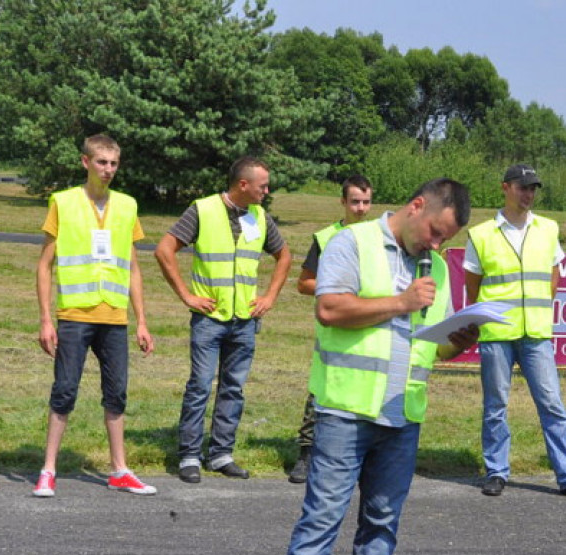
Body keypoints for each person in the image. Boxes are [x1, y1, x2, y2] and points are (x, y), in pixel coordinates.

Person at [264, 178, 478, 555]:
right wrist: (400, 302)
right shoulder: (352, 242)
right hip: (346, 409)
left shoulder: (438, 269)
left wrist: (455, 344)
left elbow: (430, 340)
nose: (437, 243)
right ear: (416, 205)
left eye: (446, 238)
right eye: (434, 231)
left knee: (382, 522)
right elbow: (330, 308)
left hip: (402, 414)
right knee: (321, 519)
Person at [463, 164, 566, 501]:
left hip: (536, 331)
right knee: (496, 405)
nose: (529, 194)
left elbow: (554, 273)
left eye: (533, 188)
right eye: (523, 187)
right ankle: (496, 471)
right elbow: (473, 286)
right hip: (497, 332)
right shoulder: (480, 234)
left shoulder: (548, 228)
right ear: (504, 187)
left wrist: (537, 307)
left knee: (552, 404)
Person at [154, 157, 292, 483]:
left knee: (234, 388)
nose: (267, 191)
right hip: (209, 318)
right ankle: (189, 455)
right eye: (262, 186)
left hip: (244, 319)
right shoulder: (202, 210)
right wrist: (187, 296)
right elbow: (164, 250)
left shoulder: (259, 216)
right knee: (200, 386)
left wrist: (270, 297)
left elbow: (284, 255)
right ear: (243, 185)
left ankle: (220, 454)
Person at [33, 134, 156, 497]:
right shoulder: (63, 202)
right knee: (65, 390)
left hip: (114, 317)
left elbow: (133, 267)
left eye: (114, 163)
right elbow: (45, 266)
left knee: (116, 393)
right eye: (102, 162)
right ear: (85, 162)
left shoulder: (128, 206)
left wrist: (142, 320)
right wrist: (45, 319)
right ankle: (48, 470)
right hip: (75, 314)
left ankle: (119, 469)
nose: (109, 170)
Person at [288, 174, 373, 484]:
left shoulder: (381, 237)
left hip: (370, 329)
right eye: (355, 202)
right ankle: (307, 453)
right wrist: (340, 293)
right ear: (343, 202)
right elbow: (304, 283)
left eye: (366, 202)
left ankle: (359, 454)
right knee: (321, 389)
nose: (361, 208)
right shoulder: (326, 237)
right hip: (335, 326)